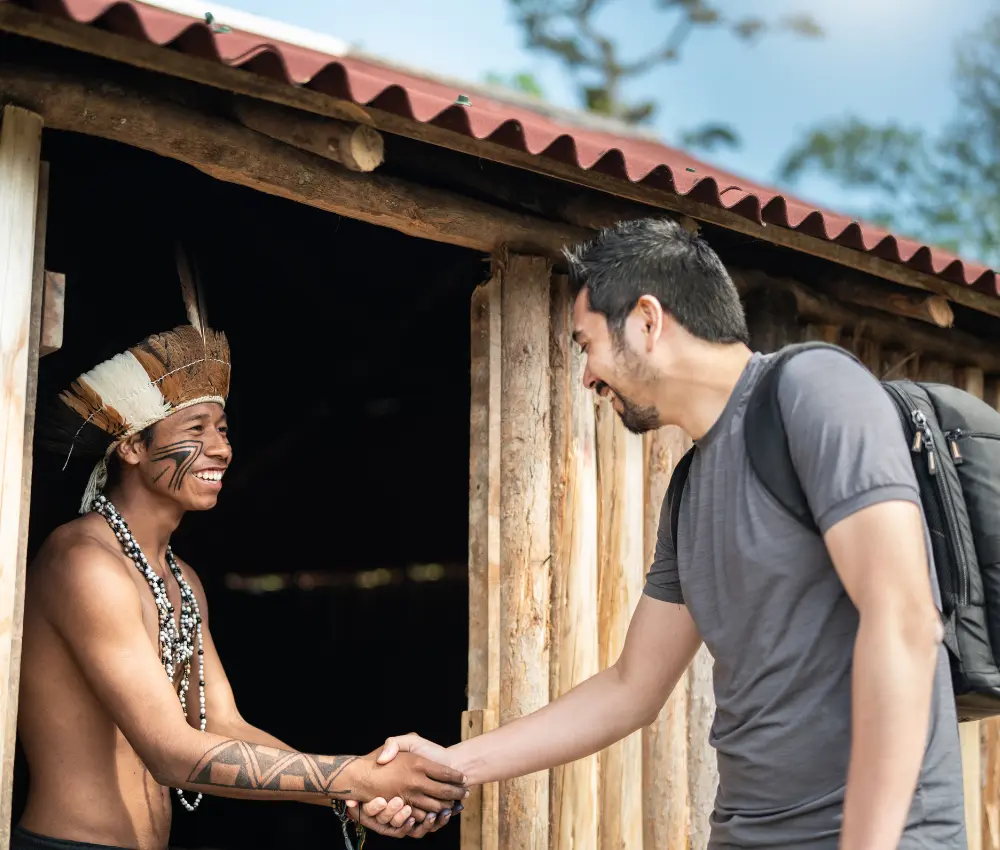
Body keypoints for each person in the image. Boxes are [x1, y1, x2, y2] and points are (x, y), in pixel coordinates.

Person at [377, 217, 966, 848]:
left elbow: (903, 620)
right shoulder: (690, 487)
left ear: (647, 321)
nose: (586, 377)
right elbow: (631, 688)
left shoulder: (813, 388)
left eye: (586, 345)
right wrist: (447, 767)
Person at [16, 269, 466, 850]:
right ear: (130, 446)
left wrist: (347, 794)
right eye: (196, 429)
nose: (222, 448)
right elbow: (171, 752)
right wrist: (349, 775)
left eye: (223, 428)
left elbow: (222, 726)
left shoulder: (182, 580)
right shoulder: (83, 561)